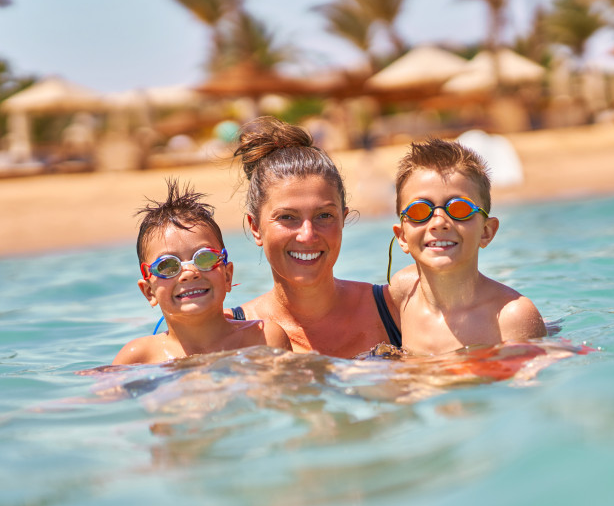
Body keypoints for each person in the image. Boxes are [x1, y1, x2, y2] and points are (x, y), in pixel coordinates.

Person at [229, 117, 401, 358]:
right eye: (287, 217)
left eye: (324, 215)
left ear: (343, 219)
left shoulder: (394, 310)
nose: (307, 235)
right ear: (255, 227)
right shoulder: (230, 333)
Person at [385, 138, 548, 355]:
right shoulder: (403, 291)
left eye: (459, 209)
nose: (439, 222)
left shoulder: (511, 317)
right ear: (402, 236)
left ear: (486, 232)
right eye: (420, 211)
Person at [113, 179, 290, 365]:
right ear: (149, 292)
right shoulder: (138, 357)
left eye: (204, 258)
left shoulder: (263, 339)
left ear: (227, 276)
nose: (189, 272)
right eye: (168, 266)